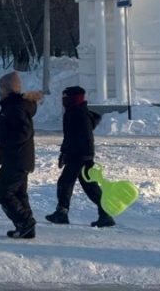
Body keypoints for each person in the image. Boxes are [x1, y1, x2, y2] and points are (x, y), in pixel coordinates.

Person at [45, 86, 115, 228]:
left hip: (80, 156)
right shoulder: (73, 112)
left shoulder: (79, 114)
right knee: (89, 186)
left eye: (66, 97)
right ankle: (105, 214)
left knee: (66, 183)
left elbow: (86, 138)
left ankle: (62, 213)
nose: (63, 100)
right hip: (76, 155)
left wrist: (86, 157)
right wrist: (63, 153)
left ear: (73, 99)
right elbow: (69, 137)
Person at [0, 71, 42, 239]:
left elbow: (23, 133)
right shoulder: (13, 106)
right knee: (18, 194)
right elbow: (10, 128)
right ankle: (26, 228)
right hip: (18, 158)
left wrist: (0, 136)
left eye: (1, 88)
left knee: (3, 192)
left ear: (7, 89)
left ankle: (25, 222)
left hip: (17, 159)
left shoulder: (15, 107)